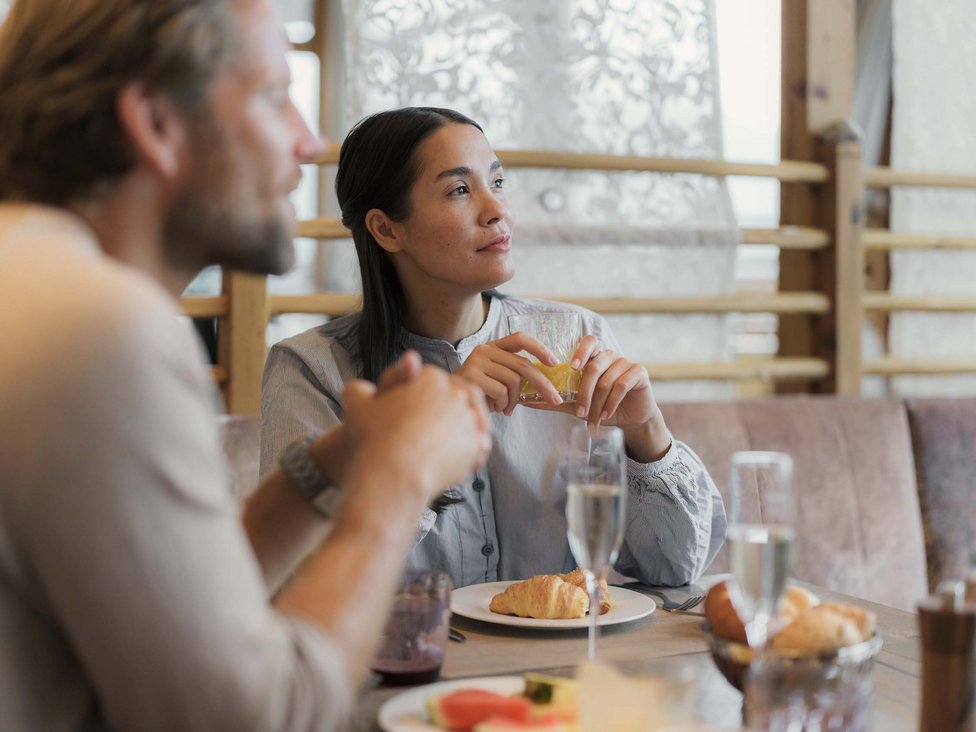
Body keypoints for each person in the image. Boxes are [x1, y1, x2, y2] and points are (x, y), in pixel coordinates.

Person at [0, 2, 492, 730]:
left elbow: (181, 617)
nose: (308, 140)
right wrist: (398, 479)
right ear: (157, 123)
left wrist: (331, 467)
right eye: (273, 95)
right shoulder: (100, 325)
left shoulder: (32, 278)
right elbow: (250, 717)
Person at [261, 106, 727, 590]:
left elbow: (677, 569)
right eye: (460, 190)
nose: (497, 210)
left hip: (554, 662)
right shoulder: (312, 370)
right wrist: (433, 431)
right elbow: (305, 580)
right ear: (386, 229)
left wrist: (646, 434)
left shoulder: (578, 339)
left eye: (497, 182)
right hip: (410, 665)